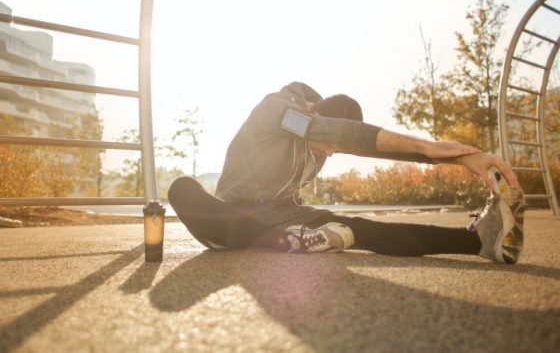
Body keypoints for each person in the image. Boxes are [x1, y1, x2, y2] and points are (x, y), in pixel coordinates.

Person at [169, 82, 525, 264]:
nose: (331, 153)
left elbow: (368, 144)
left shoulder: (324, 135)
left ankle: (478, 241)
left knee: (362, 227)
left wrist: (462, 158)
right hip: (228, 220)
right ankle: (288, 242)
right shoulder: (278, 110)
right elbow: (334, 133)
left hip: (287, 219)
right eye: (330, 145)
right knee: (181, 188)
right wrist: (430, 146)